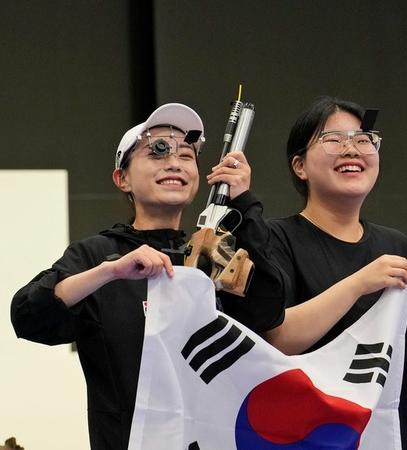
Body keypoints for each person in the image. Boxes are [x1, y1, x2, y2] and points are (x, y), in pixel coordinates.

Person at [205, 96, 407, 449]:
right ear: (299, 166)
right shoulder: (272, 239)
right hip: (305, 437)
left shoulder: (396, 245)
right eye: (334, 139)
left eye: (364, 140)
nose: (352, 149)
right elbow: (275, 340)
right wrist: (358, 284)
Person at [10, 104, 285, 450]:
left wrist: (245, 201)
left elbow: (269, 314)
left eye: (187, 154)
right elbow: (28, 316)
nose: (174, 162)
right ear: (122, 178)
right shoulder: (97, 254)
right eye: (157, 151)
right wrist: (111, 271)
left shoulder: (212, 256)